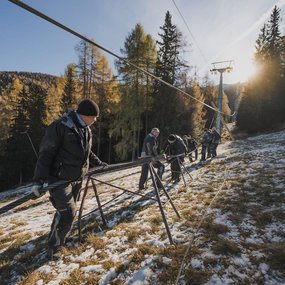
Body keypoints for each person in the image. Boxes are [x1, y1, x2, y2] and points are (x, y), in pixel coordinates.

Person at [31, 99, 108, 260]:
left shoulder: (86, 128)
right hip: (59, 179)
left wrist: (98, 163)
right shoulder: (60, 126)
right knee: (68, 213)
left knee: (65, 213)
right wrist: (38, 181)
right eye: (93, 117)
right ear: (84, 115)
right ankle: (54, 247)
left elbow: (87, 152)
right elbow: (46, 153)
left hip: (77, 178)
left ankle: (60, 238)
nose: (95, 120)